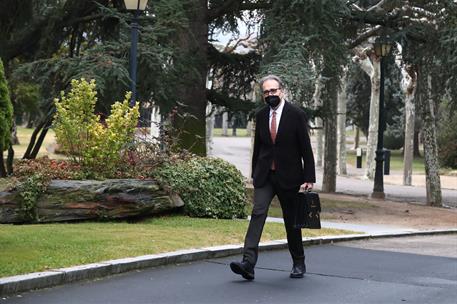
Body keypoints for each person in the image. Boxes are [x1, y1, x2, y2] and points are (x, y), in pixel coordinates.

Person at [230, 74, 316, 280]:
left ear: (282, 91)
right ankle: (248, 263)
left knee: (290, 221)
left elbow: (305, 147)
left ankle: (298, 262)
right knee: (257, 213)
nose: (270, 94)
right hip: (265, 176)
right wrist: (254, 174)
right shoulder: (260, 116)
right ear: (263, 96)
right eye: (266, 92)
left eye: (273, 91)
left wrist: (309, 176)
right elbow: (258, 148)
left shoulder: (296, 114)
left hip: (290, 177)